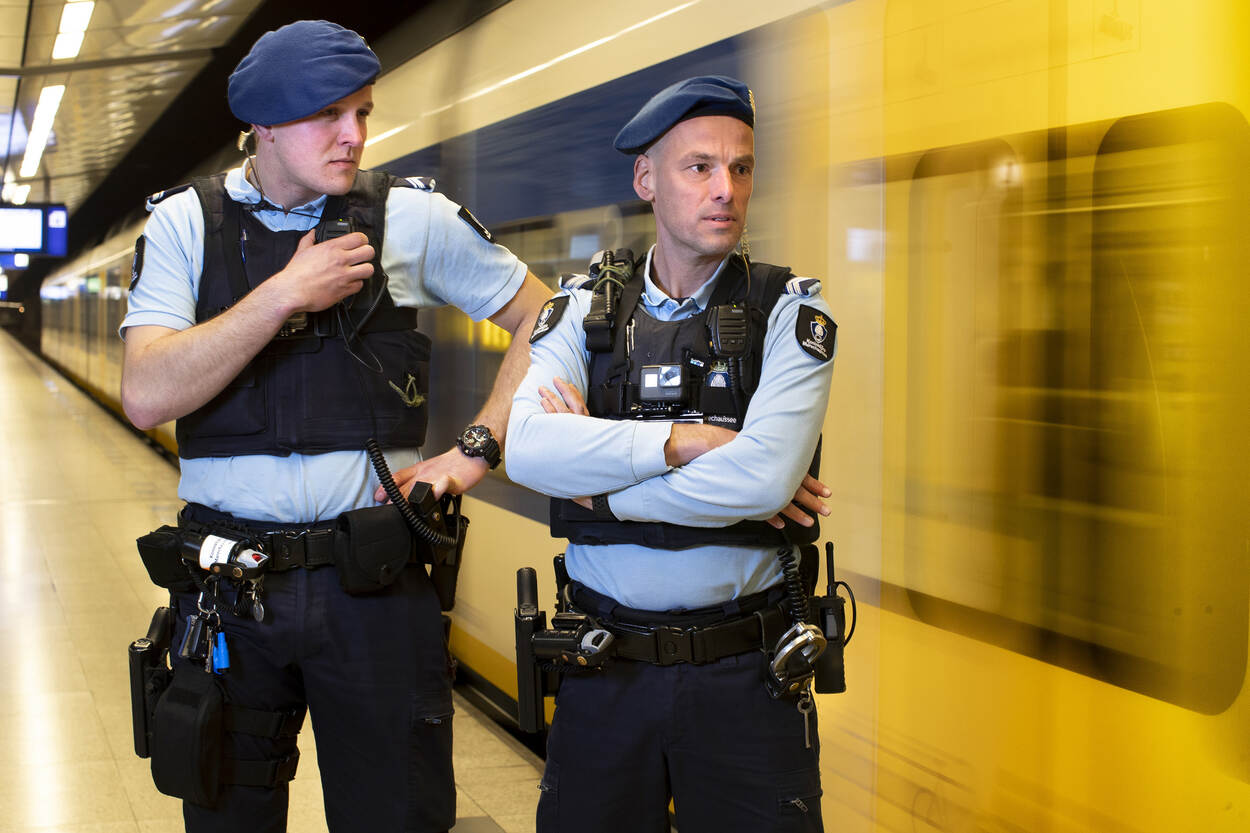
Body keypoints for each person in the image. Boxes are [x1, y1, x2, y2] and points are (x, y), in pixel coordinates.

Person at [119, 19, 549, 833]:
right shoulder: (185, 225)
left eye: (363, 112)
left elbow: (546, 319)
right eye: (329, 115)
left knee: (395, 813)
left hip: (374, 582)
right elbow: (144, 393)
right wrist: (285, 292)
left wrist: (478, 447)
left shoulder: (411, 218)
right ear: (264, 125)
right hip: (229, 590)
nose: (355, 134)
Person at [506, 76, 837, 832]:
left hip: (747, 680)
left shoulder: (790, 312)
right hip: (603, 672)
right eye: (700, 167)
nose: (726, 189)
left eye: (741, 168)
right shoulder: (582, 311)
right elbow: (525, 448)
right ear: (646, 179)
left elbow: (762, 482)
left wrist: (596, 488)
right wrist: (684, 442)